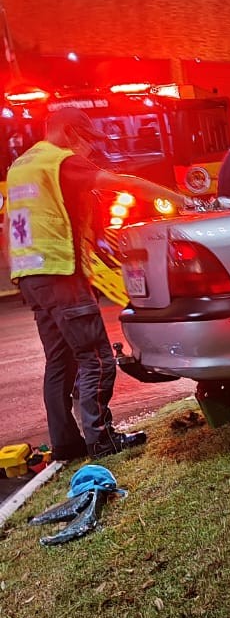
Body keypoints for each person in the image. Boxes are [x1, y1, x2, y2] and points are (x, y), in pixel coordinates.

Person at [6, 107, 190, 460]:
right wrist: (181, 199)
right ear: (71, 132)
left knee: (59, 362)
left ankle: (66, 444)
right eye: (88, 139)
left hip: (31, 275)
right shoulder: (61, 161)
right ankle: (102, 440)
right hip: (61, 274)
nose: (90, 148)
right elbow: (124, 183)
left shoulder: (22, 164)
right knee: (96, 357)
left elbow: (39, 216)